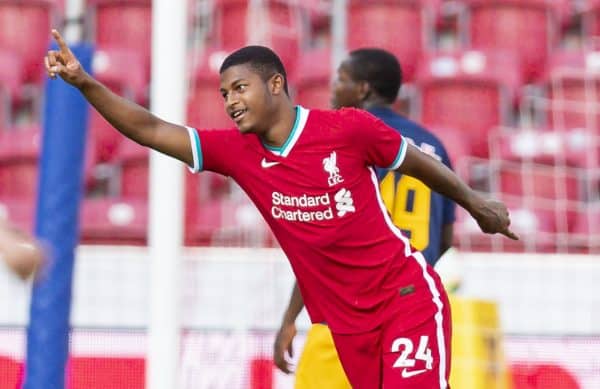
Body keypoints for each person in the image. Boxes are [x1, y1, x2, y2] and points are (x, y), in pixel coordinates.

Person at [45, 29, 517, 388]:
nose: (230, 101)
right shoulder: (237, 153)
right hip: (345, 326)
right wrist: (85, 83)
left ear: (275, 83)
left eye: (240, 88)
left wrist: (475, 203)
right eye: (225, 93)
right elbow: (149, 128)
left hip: (404, 298)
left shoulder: (348, 130)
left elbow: (414, 162)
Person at [273, 48, 456, 388]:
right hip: (411, 311)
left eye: (341, 78)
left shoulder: (342, 142)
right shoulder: (435, 147)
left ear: (363, 89)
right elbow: (444, 239)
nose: (333, 87)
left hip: (345, 315)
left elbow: (323, 243)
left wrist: (290, 318)